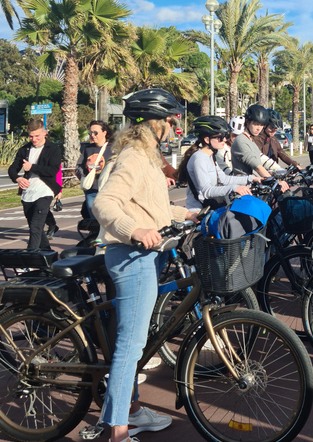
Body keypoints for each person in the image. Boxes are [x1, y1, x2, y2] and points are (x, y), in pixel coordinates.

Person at [93, 88, 200, 442]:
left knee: (136, 340)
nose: (174, 126)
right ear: (155, 123)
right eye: (170, 120)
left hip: (146, 255)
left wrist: (184, 213)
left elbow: (150, 207)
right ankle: (118, 430)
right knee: (131, 345)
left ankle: (132, 410)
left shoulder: (145, 156)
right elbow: (105, 205)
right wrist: (133, 230)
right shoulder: (133, 159)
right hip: (131, 256)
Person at [178, 116, 258, 211]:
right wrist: (235, 188)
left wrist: (252, 179)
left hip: (211, 208)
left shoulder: (210, 156)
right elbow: (206, 191)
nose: (224, 140)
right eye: (220, 137)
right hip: (198, 212)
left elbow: (224, 179)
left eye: (225, 136)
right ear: (207, 140)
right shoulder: (199, 158)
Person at [7, 119, 62, 250]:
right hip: (28, 193)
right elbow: (12, 169)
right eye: (31, 136)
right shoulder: (24, 149)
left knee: (36, 227)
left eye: (37, 136)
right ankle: (49, 257)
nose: (34, 139)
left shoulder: (53, 149)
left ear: (44, 132)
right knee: (34, 227)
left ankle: (30, 257)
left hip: (46, 191)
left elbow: (52, 170)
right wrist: (18, 179)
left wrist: (32, 167)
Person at [231, 104, 289, 190]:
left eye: (262, 125)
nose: (259, 128)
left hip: (256, 187)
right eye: (256, 124)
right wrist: (275, 183)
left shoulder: (250, 140)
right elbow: (257, 167)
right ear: (247, 122)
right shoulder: (241, 140)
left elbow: (262, 159)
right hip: (245, 190)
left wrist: (282, 170)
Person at [76, 120, 115, 219]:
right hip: (91, 190)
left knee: (108, 216)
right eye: (91, 133)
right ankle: (94, 233)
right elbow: (79, 166)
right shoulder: (87, 149)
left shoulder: (113, 149)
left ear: (104, 132)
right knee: (93, 215)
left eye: (95, 132)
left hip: (108, 189)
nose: (92, 135)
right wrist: (84, 177)